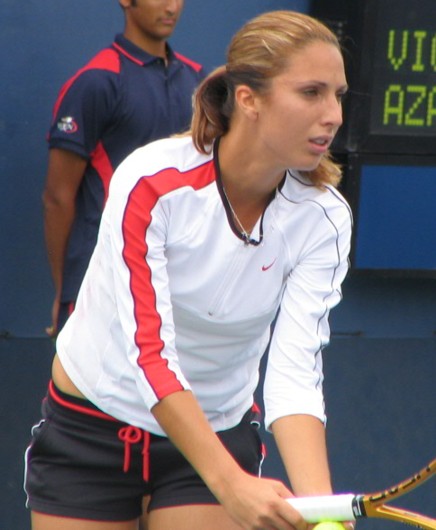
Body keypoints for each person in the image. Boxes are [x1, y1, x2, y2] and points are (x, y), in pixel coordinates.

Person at [25, 10, 354, 530]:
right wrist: (231, 484)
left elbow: (294, 372)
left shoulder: (326, 218)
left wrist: (323, 511)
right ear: (248, 99)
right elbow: (150, 353)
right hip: (94, 426)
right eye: (312, 92)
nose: (333, 113)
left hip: (219, 430)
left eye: (338, 94)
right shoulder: (150, 182)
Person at [42, 0, 204, 337]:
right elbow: (58, 197)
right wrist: (66, 289)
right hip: (103, 280)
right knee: (90, 390)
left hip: (179, 284)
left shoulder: (197, 79)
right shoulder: (96, 81)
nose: (172, 6)